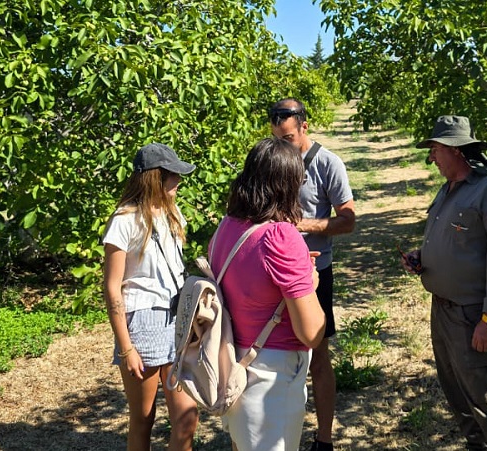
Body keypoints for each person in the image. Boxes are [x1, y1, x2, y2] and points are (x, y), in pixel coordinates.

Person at [401, 115, 487, 450]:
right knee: (457, 395)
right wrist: (422, 256)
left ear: (455, 150)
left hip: (472, 316)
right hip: (442, 310)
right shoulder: (448, 189)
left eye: (436, 150)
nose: (432, 158)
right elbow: (458, 244)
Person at [210, 137, 326, 451]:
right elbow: (313, 332)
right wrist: (308, 283)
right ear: (287, 185)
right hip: (271, 377)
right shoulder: (280, 236)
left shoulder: (227, 227)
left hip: (235, 363)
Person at [269, 98, 356, 451]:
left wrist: (301, 225)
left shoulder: (326, 163)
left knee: (317, 354)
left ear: (305, 126)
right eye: (277, 138)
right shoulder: (272, 161)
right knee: (275, 354)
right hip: (272, 273)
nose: (282, 146)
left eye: (288, 138)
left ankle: (323, 439)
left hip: (314, 274)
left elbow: (348, 220)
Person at [102, 143, 199, 451]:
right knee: (143, 418)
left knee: (187, 417)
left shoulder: (173, 214)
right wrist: (127, 347)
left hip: (176, 318)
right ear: (156, 178)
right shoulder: (125, 220)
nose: (179, 182)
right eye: (173, 176)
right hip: (141, 321)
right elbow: (112, 286)